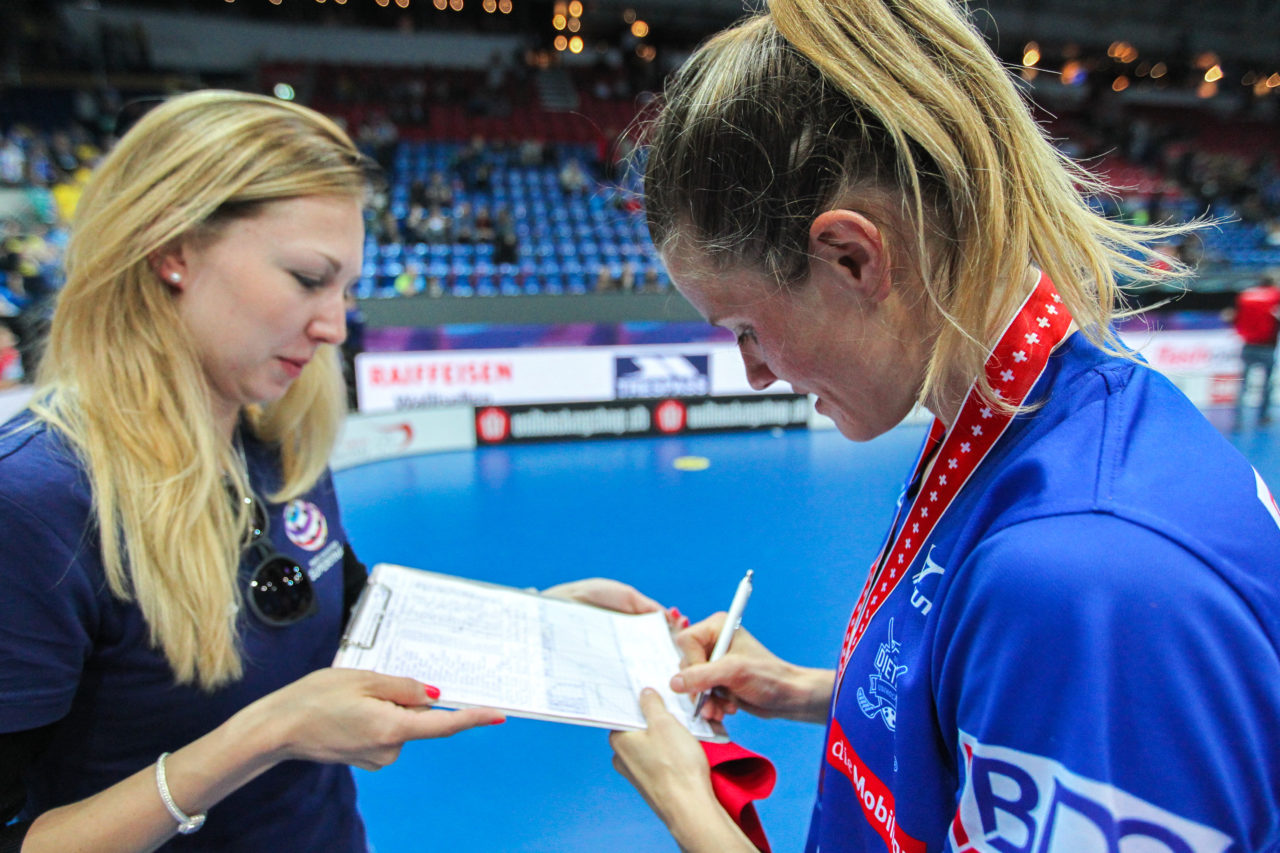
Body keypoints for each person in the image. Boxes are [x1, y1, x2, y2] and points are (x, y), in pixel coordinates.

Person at [607, 2, 1280, 851]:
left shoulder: (1081, 577)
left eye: (745, 325)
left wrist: (686, 803)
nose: (755, 371)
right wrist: (820, 690)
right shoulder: (1039, 418)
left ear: (851, 258)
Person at [0, 89, 653, 853]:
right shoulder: (36, 502)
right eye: (310, 279)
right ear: (171, 249)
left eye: (346, 289)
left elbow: (346, 627)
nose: (336, 325)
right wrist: (265, 735)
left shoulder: (274, 436)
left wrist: (540, 622)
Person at [1233, 275, 1280, 428]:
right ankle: (1263, 416)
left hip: (1248, 344)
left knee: (1244, 383)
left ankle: (1238, 418)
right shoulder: (1275, 295)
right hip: (1266, 345)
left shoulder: (1246, 295)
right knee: (1267, 383)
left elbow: (1236, 316)